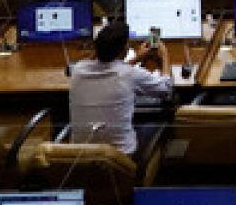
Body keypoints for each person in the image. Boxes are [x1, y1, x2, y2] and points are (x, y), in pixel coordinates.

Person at [69, 21, 172, 158]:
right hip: (121, 156)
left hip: (81, 157)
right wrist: (165, 55)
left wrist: (136, 58)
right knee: (159, 122)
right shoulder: (129, 74)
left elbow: (110, 69)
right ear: (124, 50)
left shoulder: (77, 70)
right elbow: (166, 89)